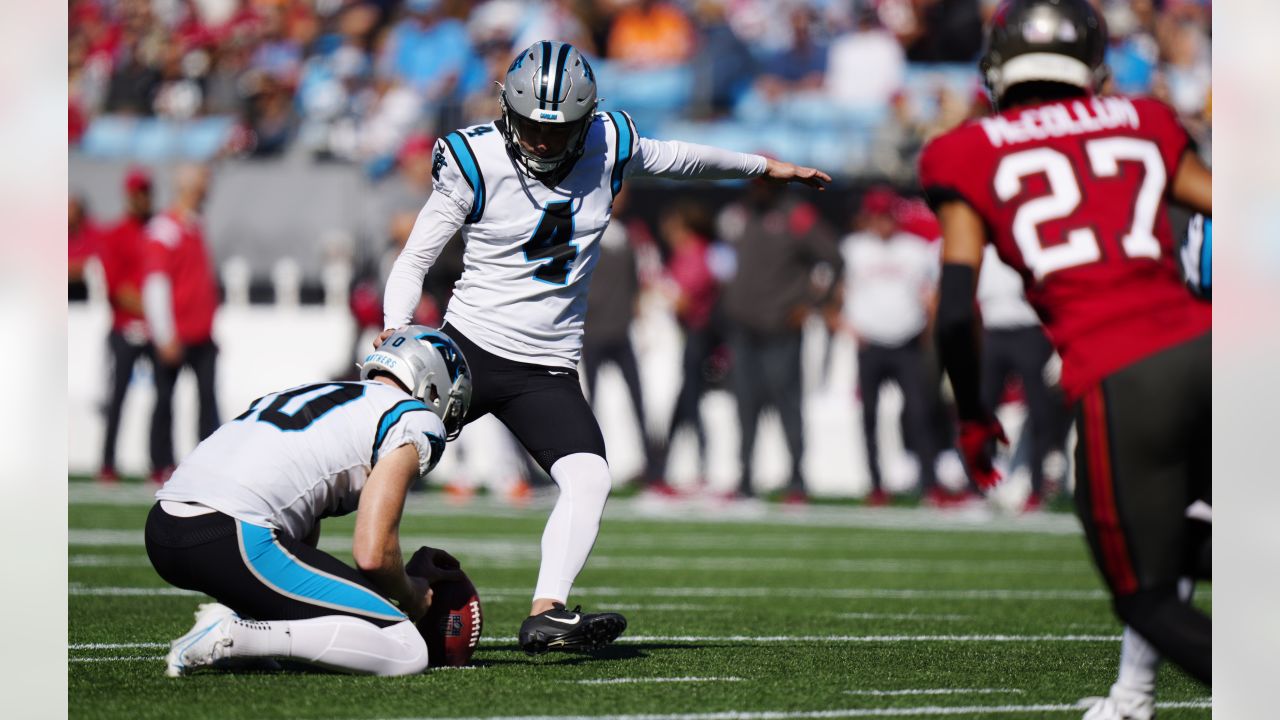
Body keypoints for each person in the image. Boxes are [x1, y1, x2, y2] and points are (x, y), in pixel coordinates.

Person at [378, 41, 829, 654]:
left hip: (548, 365)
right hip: (467, 351)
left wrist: (758, 165)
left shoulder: (607, 142)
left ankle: (548, 611)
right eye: (532, 125)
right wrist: (398, 326)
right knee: (371, 460)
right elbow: (416, 258)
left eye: (556, 129)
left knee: (589, 477)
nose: (541, 141)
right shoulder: (475, 158)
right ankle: (305, 568)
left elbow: (679, 157)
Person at [920, 0, 1212, 693]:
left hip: (1122, 371)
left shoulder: (963, 149)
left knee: (1143, 594)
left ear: (998, 65)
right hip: (1209, 343)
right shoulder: (1145, 117)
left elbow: (958, 313)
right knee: (1181, 530)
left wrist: (972, 415)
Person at [148, 326, 470, 677]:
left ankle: (244, 625)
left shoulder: (319, 391)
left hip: (165, 524)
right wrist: (411, 595)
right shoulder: (415, 418)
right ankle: (233, 636)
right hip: (232, 534)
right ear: (433, 385)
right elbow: (372, 554)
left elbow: (301, 523)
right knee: (407, 650)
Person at [720, 175, 842, 504]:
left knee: (787, 403)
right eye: (752, 183)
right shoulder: (738, 215)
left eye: (762, 183)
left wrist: (813, 305)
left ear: (776, 184)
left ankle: (797, 480)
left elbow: (833, 257)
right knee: (745, 405)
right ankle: (745, 478)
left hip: (781, 327)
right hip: (744, 327)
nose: (755, 189)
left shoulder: (797, 216)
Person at [835, 187, 941, 506]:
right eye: (875, 217)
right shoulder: (852, 249)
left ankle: (929, 484)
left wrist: (927, 332)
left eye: (886, 216)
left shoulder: (916, 249)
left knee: (920, 414)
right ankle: (875, 483)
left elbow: (931, 295)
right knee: (869, 416)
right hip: (870, 343)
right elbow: (834, 291)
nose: (881, 223)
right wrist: (846, 325)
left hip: (907, 340)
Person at [143, 163, 222, 483]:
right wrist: (164, 333)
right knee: (164, 399)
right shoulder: (166, 228)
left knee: (207, 401)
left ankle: (210, 460)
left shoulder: (193, 225)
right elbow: (156, 284)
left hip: (201, 332)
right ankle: (160, 462)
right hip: (177, 333)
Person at [653, 201, 721, 493]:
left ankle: (703, 467)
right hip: (683, 337)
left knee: (690, 404)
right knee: (682, 406)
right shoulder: (687, 255)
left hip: (696, 336)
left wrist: (660, 292)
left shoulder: (699, 254)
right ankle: (661, 468)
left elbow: (686, 300)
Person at [97, 168, 156, 483]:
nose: (143, 198)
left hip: (154, 329)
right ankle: (107, 463)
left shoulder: (157, 231)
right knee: (117, 397)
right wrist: (155, 309)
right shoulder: (116, 233)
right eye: (138, 193)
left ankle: (159, 462)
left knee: (163, 398)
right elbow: (117, 288)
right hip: (125, 327)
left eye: (146, 192)